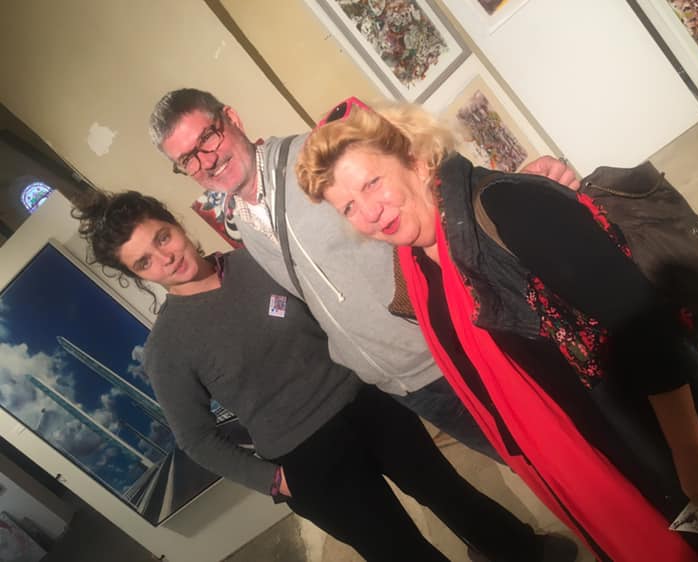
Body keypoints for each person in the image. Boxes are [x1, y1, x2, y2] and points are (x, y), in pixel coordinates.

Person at [295, 98, 698, 562]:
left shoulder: (507, 205)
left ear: (414, 158)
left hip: (664, 433)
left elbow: (644, 325)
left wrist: (690, 449)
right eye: (349, 207)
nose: (370, 213)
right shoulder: (418, 265)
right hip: (603, 456)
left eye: (372, 183)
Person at [72, 190, 578, 562]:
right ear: (139, 275)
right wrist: (272, 480)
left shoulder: (256, 261)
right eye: (146, 261)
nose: (166, 258)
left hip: (367, 404)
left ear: (175, 223)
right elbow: (195, 438)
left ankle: (521, 551)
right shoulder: (166, 348)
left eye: (162, 237)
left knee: (450, 492)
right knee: (399, 551)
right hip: (308, 459)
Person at [147, 88, 579, 462]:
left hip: (455, 348)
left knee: (565, 448)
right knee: (524, 466)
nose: (206, 160)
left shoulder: (316, 157)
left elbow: (425, 176)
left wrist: (508, 187)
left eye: (207, 137)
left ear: (232, 119)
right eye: (188, 159)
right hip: (405, 387)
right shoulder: (240, 222)